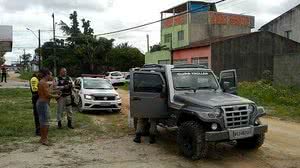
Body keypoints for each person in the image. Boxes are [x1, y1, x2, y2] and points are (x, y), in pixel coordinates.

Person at [37, 68, 60, 145]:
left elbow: (47, 91)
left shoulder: (43, 82)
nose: (52, 76)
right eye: (51, 74)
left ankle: (42, 138)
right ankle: (44, 139)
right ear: (47, 75)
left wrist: (54, 90)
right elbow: (47, 95)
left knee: (42, 122)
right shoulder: (44, 83)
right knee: (46, 122)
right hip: (43, 103)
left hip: (41, 103)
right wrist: (56, 96)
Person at [30, 72, 41, 136]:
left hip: (38, 98)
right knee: (37, 115)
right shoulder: (34, 79)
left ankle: (40, 129)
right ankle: (38, 130)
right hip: (36, 98)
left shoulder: (37, 78)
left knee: (39, 115)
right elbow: (34, 89)